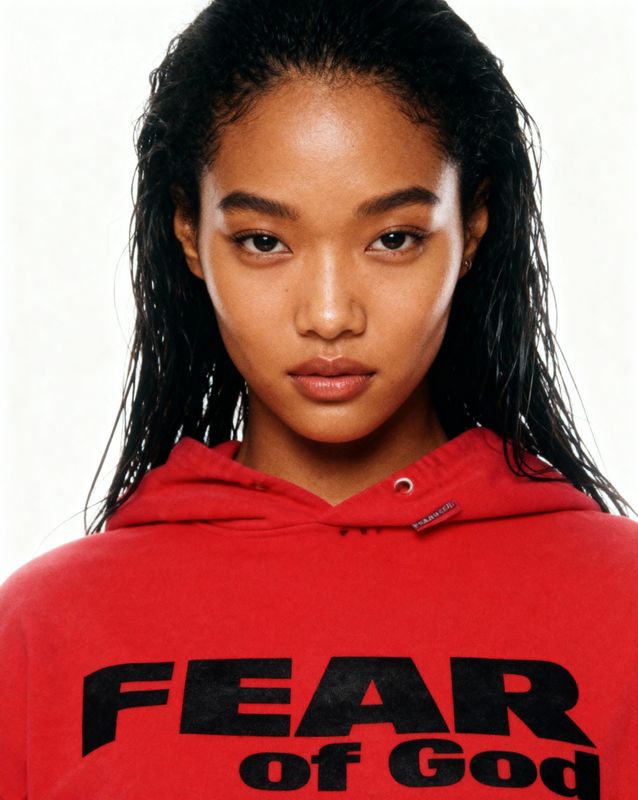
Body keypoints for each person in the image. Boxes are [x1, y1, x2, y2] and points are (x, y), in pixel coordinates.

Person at [1, 0, 636, 796]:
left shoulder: (624, 607)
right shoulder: (41, 631)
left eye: (393, 238)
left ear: (473, 227)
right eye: (264, 241)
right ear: (190, 236)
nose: (330, 313)